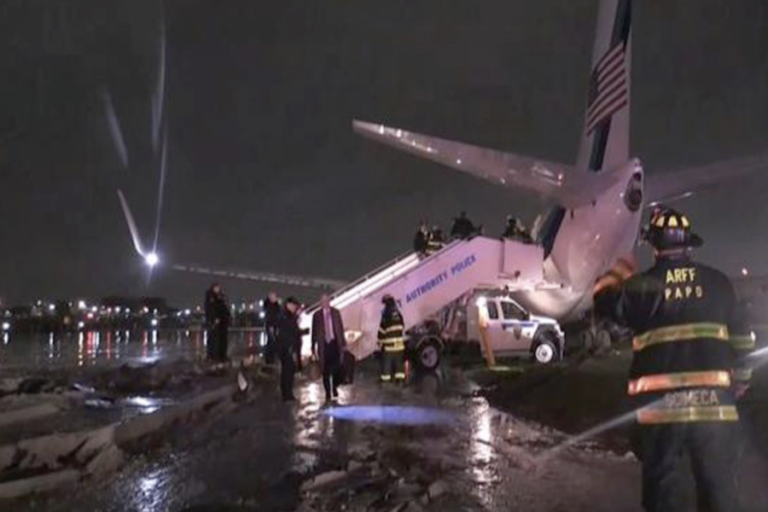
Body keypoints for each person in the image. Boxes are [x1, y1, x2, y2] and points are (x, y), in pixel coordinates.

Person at [595, 207, 754, 512]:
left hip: (661, 410)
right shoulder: (719, 283)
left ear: (653, 245)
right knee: (719, 486)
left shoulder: (640, 286)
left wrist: (620, 270)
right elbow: (743, 339)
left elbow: (603, 302)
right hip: (715, 409)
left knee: (662, 489)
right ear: (688, 243)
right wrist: (743, 379)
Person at [311, 294, 347, 402]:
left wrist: (343, 343)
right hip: (324, 345)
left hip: (335, 343)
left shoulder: (336, 313)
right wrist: (313, 346)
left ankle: (335, 386)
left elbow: (340, 327)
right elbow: (314, 331)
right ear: (320, 303)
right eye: (322, 301)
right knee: (325, 370)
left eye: (326, 300)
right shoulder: (316, 315)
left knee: (337, 368)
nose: (324, 303)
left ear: (329, 301)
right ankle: (327, 392)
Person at [276, 296, 303, 401]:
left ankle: (287, 394)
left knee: (287, 371)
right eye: (294, 305)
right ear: (288, 305)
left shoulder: (287, 316)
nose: (295, 307)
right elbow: (289, 333)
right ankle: (287, 395)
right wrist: (291, 348)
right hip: (288, 348)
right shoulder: (287, 317)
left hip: (287, 348)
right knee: (288, 372)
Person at [378, 295, 406, 383]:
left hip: (389, 347)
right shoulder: (399, 314)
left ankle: (385, 382)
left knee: (386, 366)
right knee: (399, 365)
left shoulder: (386, 315)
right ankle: (400, 380)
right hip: (399, 346)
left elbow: (382, 331)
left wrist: (380, 343)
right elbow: (402, 327)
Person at [204, 283, 231, 363]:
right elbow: (211, 309)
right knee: (213, 339)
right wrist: (214, 319)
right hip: (216, 321)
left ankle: (221, 356)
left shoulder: (220, 297)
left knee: (222, 339)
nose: (219, 289)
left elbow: (224, 308)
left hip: (223, 321)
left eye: (219, 288)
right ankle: (212, 356)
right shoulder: (211, 297)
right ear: (213, 288)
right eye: (217, 288)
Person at [262, 291, 281, 364]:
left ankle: (271, 359)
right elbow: (270, 317)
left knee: (272, 343)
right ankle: (269, 359)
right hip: (272, 327)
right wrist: (271, 326)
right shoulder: (270, 306)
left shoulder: (275, 306)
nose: (276, 298)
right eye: (274, 296)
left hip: (274, 326)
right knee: (271, 343)